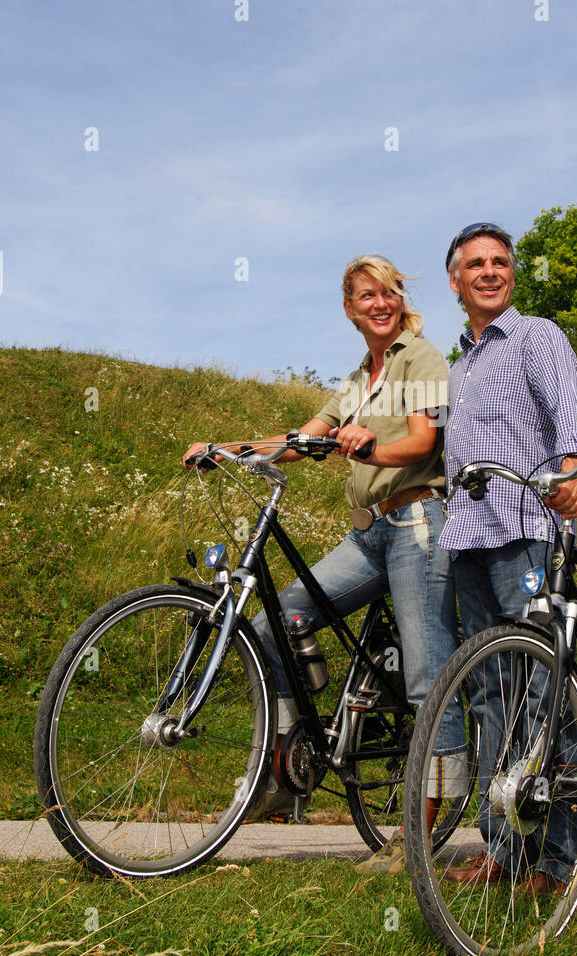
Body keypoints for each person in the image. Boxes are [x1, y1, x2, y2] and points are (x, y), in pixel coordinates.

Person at [183, 254, 464, 873]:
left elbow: (426, 440)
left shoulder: (421, 357)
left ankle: (419, 837)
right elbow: (299, 439)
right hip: (369, 535)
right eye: (366, 295)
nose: (380, 303)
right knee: (272, 625)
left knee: (427, 676)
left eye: (388, 292)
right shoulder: (356, 380)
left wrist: (374, 444)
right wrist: (223, 449)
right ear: (349, 309)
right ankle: (282, 771)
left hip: (419, 523)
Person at [439, 222, 577, 893]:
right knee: (490, 699)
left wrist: (569, 473)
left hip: (527, 530)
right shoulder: (460, 368)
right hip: (467, 540)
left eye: (499, 262)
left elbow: (570, 421)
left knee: (543, 694)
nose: (488, 271)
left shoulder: (536, 336)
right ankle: (503, 849)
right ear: (455, 281)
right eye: (474, 264)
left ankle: (558, 862)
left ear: (511, 273)